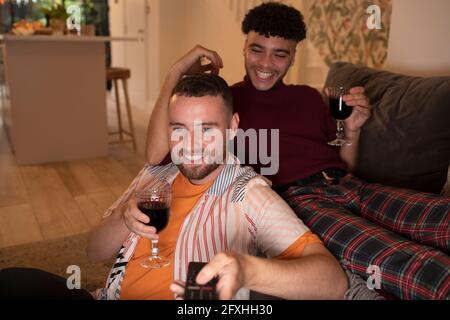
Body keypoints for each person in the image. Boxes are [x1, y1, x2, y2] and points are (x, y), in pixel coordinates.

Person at [143, 2, 450, 299]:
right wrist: (175, 72)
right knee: (418, 266)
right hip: (301, 204)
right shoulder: (222, 104)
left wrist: (352, 129)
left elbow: (346, 164)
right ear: (244, 47)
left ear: (292, 58)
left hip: (352, 186)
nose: (265, 64)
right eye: (256, 49)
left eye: (279, 54)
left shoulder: (309, 98)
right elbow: (156, 156)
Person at [86, 73, 348, 300]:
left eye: (207, 131)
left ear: (233, 128)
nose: (190, 145)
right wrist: (123, 218)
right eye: (179, 130)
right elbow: (93, 251)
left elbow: (333, 283)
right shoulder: (155, 176)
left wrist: (249, 271)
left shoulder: (248, 194)